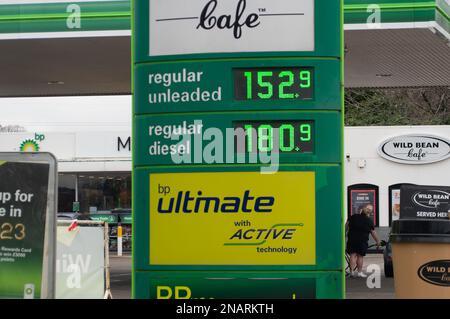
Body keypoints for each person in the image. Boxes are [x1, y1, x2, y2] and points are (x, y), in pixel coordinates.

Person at [346, 204, 380, 278]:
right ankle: (359, 272)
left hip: (352, 239)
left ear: (361, 212)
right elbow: (373, 232)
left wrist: (344, 235)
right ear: (368, 214)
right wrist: (378, 241)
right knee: (360, 256)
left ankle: (351, 272)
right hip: (362, 241)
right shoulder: (369, 221)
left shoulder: (353, 217)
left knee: (352, 255)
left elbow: (346, 225)